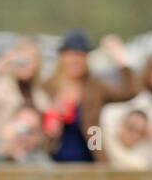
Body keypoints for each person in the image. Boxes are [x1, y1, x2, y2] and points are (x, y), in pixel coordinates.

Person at [42, 30, 137, 163]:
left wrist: (120, 58)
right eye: (71, 55)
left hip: (90, 157)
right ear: (62, 57)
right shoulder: (47, 87)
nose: (75, 61)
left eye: (80, 56)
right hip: (52, 160)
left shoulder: (94, 87)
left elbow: (129, 92)